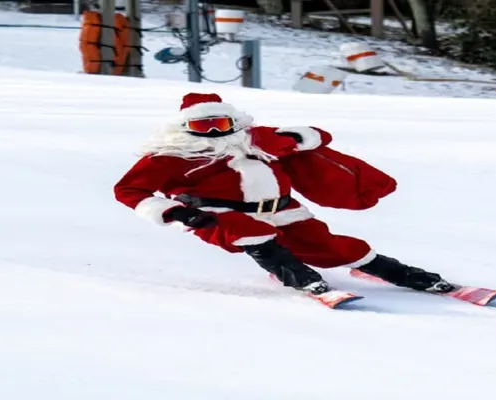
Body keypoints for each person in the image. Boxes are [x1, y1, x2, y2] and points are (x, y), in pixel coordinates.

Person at [114, 92, 452, 299]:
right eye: (204, 127)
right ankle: (302, 278)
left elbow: (318, 136)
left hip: (283, 210)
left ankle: (407, 275)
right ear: (185, 129)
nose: (216, 133)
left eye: (221, 124)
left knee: (329, 247)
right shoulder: (170, 156)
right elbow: (128, 189)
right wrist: (173, 212)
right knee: (248, 233)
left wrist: (299, 137)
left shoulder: (255, 139)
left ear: (235, 122)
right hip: (214, 214)